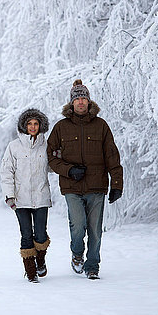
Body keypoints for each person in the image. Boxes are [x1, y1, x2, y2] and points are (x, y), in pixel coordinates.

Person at [47, 79, 123, 280]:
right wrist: (69, 170)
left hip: (97, 186)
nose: (80, 102)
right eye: (77, 99)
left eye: (83, 98)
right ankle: (77, 253)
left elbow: (112, 156)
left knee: (95, 230)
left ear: (89, 102)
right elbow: (51, 157)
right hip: (71, 186)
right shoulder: (61, 127)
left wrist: (117, 184)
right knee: (78, 225)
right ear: (71, 103)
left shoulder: (101, 126)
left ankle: (92, 266)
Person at [0, 108, 52, 283]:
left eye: (36, 123)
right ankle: (31, 272)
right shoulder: (13, 146)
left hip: (41, 196)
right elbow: (7, 172)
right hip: (20, 199)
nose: (32, 127)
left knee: (41, 234)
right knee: (26, 234)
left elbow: (55, 165)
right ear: (24, 125)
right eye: (29, 124)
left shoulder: (47, 145)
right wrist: (9, 196)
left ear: (41, 125)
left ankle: (40, 261)